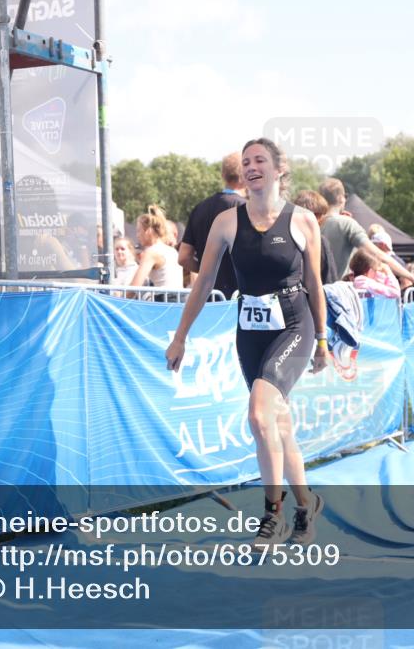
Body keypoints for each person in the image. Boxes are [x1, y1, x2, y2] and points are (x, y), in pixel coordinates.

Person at [165, 138, 328, 547]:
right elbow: (203, 282)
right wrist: (181, 336)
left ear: (278, 169)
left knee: (258, 415)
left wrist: (323, 340)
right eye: (246, 162)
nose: (251, 167)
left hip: (294, 325)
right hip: (250, 330)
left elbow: (314, 283)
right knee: (277, 424)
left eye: (260, 160)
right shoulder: (226, 221)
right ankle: (306, 504)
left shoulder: (302, 220)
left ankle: (272, 515)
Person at [317, 177, 414, 287]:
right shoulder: (348, 224)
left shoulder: (315, 224)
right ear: (341, 198)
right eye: (345, 196)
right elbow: (378, 254)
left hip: (316, 292)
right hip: (340, 291)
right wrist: (412, 277)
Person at [179, 153, 246, 298]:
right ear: (246, 176)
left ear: (223, 175)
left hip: (208, 298)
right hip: (241, 298)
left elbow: (184, 257)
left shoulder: (200, 208)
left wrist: (206, 271)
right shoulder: (248, 210)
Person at [131, 205, 183, 290]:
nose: (137, 235)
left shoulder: (151, 252)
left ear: (148, 231)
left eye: (139, 231)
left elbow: (134, 288)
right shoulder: (172, 251)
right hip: (179, 298)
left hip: (163, 297)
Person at [293, 190, 339, 285]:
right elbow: (330, 280)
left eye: (321, 215)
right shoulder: (320, 241)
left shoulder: (321, 241)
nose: (320, 220)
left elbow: (329, 278)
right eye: (317, 215)